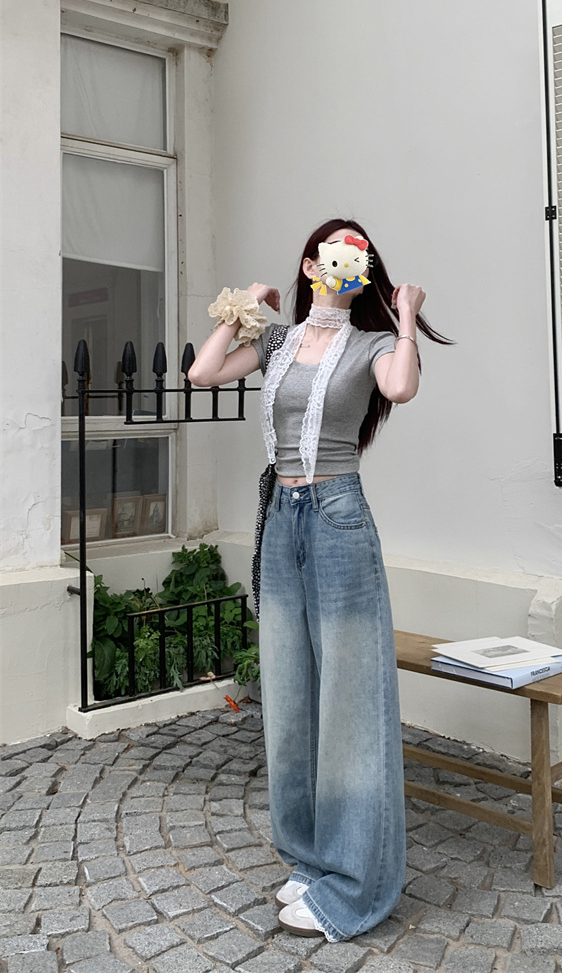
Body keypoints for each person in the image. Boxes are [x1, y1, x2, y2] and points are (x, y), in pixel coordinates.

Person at [188, 219, 451, 942]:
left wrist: (404, 317)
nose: (343, 258)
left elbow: (401, 387)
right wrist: (243, 305)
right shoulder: (275, 342)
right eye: (332, 248)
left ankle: (356, 882)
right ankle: (308, 858)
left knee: (350, 700)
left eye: (357, 252)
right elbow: (203, 373)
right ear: (309, 265)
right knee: (289, 693)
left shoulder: (371, 346)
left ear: (362, 274)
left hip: (337, 516)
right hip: (283, 516)